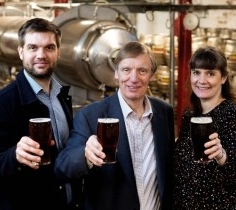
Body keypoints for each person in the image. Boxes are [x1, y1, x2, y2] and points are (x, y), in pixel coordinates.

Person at [55, 41, 175, 210]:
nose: (134, 78)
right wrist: (85, 156)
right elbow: (63, 167)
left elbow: (167, 170)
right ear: (116, 73)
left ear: (152, 75)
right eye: (126, 70)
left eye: (142, 70)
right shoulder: (91, 115)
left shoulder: (164, 112)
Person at [0, 18, 82, 210]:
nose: (41, 55)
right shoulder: (0, 104)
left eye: (49, 48)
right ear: (21, 52)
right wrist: (14, 156)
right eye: (33, 48)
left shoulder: (61, 96)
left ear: (58, 53)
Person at [173, 46, 236, 209]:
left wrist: (222, 155)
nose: (202, 80)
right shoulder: (189, 114)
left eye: (210, 73)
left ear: (224, 78)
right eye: (197, 72)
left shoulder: (233, 114)